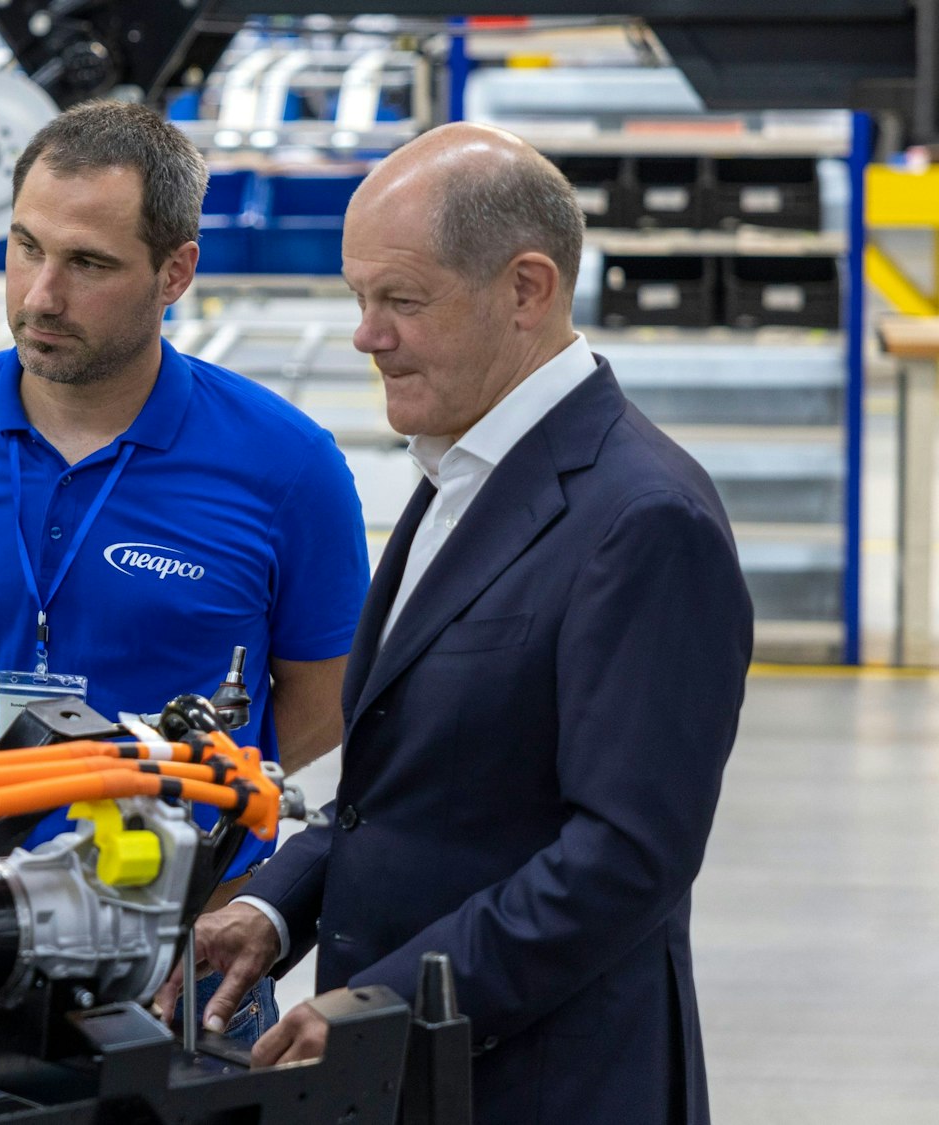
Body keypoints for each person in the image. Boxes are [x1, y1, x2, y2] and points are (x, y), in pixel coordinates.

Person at [156, 123, 753, 1125]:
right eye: (357, 299)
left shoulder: (643, 519)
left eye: (399, 300)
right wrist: (272, 905)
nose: (363, 334)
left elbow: (623, 856)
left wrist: (388, 1000)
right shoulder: (460, 469)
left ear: (525, 289)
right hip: (426, 1078)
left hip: (550, 1082)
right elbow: (411, 792)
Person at [0, 100, 370, 1065]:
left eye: (88, 264)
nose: (39, 295)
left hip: (182, 956)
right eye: (25, 246)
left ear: (175, 271)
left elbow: (319, 700)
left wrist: (206, 864)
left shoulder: (284, 466)